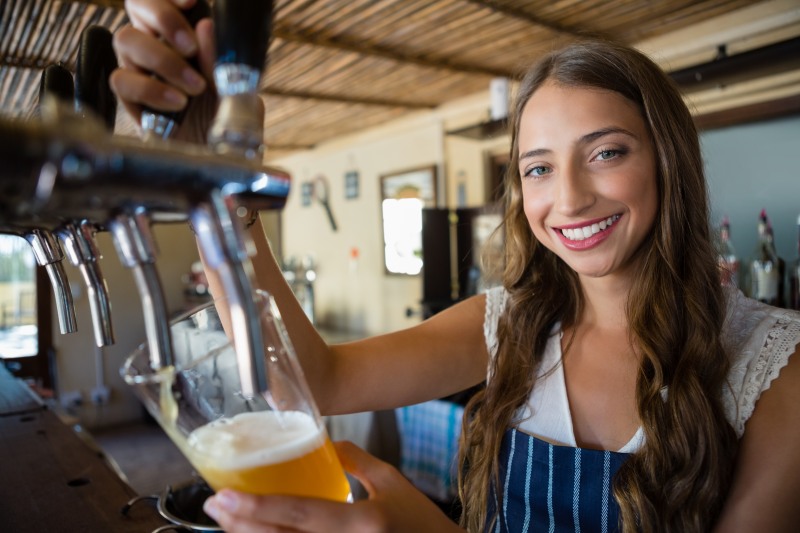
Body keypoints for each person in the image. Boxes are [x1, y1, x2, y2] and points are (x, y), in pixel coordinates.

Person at [110, 1, 800, 531]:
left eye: (606, 152)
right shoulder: (506, 324)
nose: (569, 197)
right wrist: (214, 179)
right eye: (538, 167)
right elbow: (313, 378)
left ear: (668, 161)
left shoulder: (774, 365)